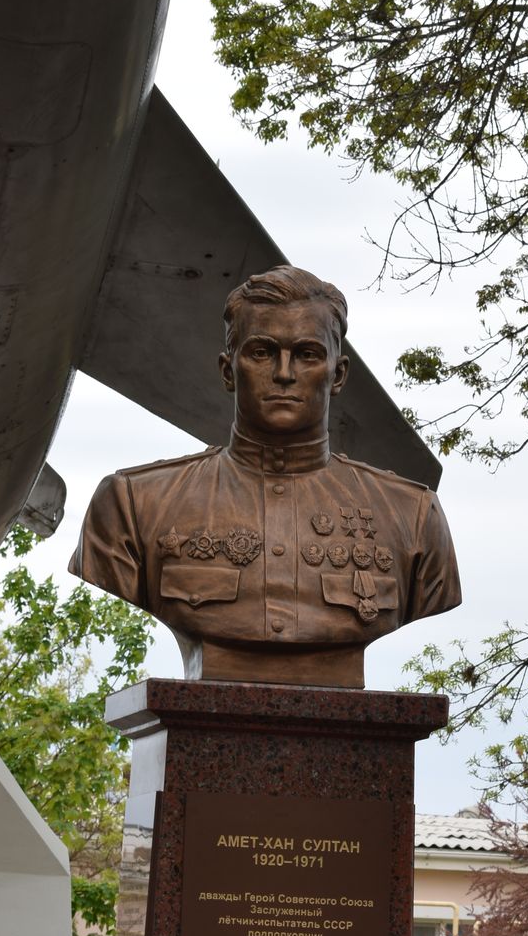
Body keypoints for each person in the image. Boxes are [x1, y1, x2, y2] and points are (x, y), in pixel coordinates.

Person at [70, 265, 460, 687]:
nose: (284, 373)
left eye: (307, 354)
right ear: (226, 371)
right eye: (262, 352)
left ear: (339, 375)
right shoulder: (134, 505)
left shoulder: (412, 517)